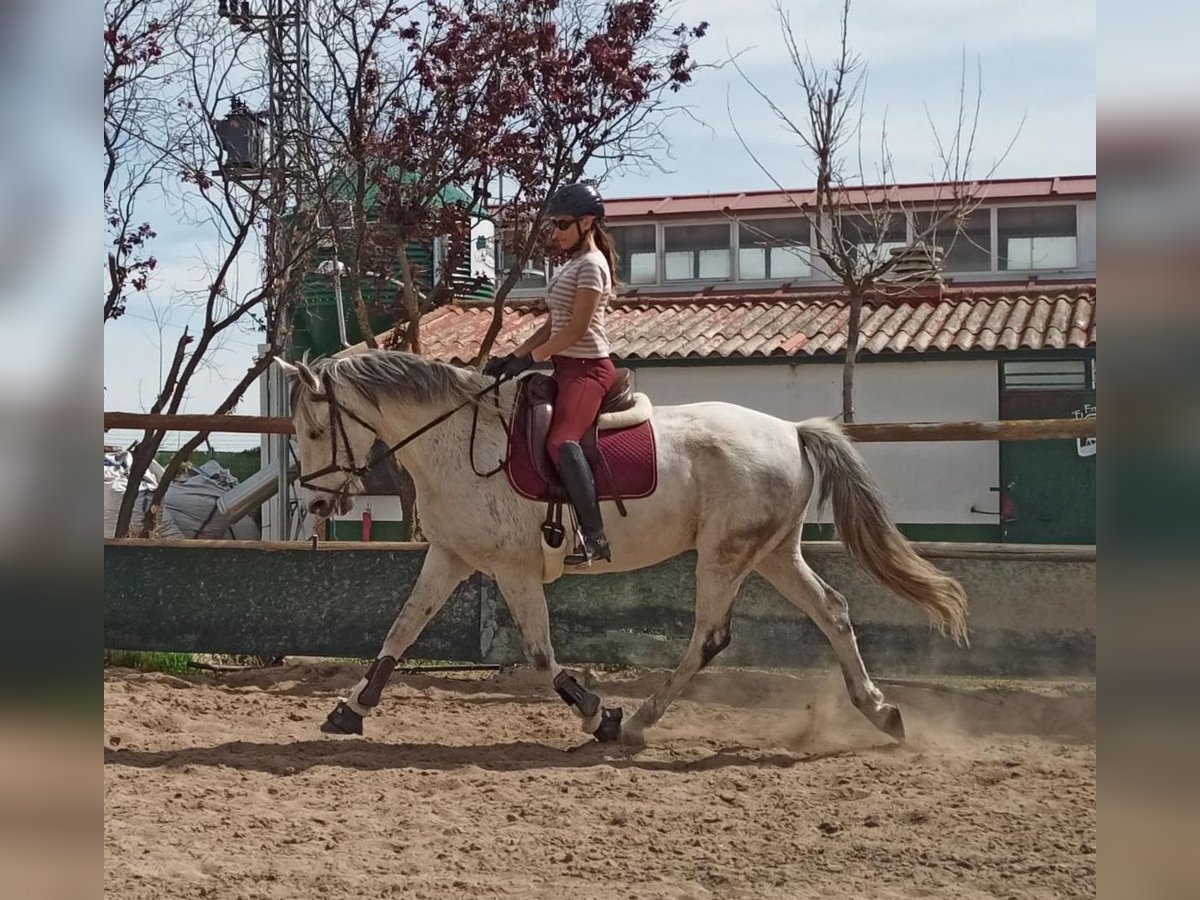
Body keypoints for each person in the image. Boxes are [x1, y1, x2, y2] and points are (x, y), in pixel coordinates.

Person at [485, 182, 618, 564]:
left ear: (587, 222)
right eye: (554, 225)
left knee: (561, 442)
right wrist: (514, 356)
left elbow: (576, 330)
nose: (556, 232)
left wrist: (533, 359)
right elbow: (552, 325)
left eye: (562, 224)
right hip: (565, 367)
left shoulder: (593, 266)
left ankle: (595, 537)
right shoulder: (572, 266)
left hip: (589, 369)